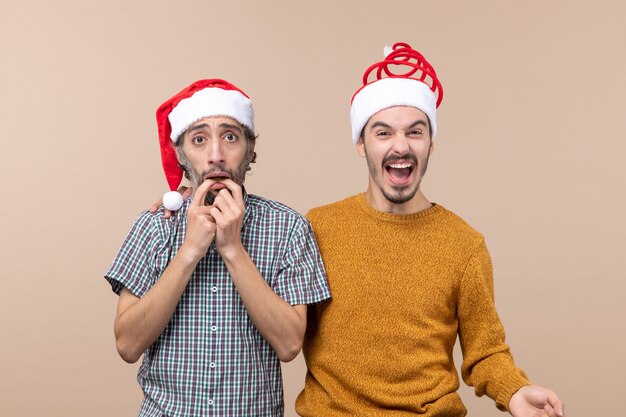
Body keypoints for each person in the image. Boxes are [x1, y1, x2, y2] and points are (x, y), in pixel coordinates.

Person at [294, 43, 565, 417]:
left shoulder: (463, 245)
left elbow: (485, 351)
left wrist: (515, 390)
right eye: (383, 133)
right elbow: (285, 330)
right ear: (361, 144)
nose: (401, 146)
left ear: (431, 144)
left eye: (415, 132)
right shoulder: (320, 227)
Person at [105, 79, 330, 417]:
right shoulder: (154, 226)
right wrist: (189, 252)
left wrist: (233, 248)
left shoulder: (289, 228)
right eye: (199, 140)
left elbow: (289, 345)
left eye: (230, 137)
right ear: (181, 154)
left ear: (250, 150)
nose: (216, 156)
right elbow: (127, 344)